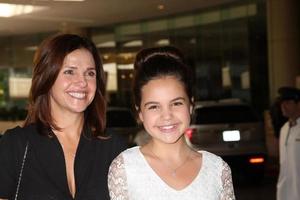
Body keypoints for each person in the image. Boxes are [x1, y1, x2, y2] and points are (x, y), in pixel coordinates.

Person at [0, 33, 127, 200]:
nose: (82, 82)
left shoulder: (113, 146)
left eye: (90, 73)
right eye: (69, 72)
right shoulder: (15, 145)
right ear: (47, 77)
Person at [108, 46, 235, 199]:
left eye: (176, 103)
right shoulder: (125, 168)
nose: (167, 116)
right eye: (154, 106)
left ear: (191, 105)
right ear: (140, 112)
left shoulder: (217, 169)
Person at [276, 86, 300, 200]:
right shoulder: (284, 129)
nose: (283, 106)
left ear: (298, 104)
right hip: (286, 192)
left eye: (288, 102)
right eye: (282, 103)